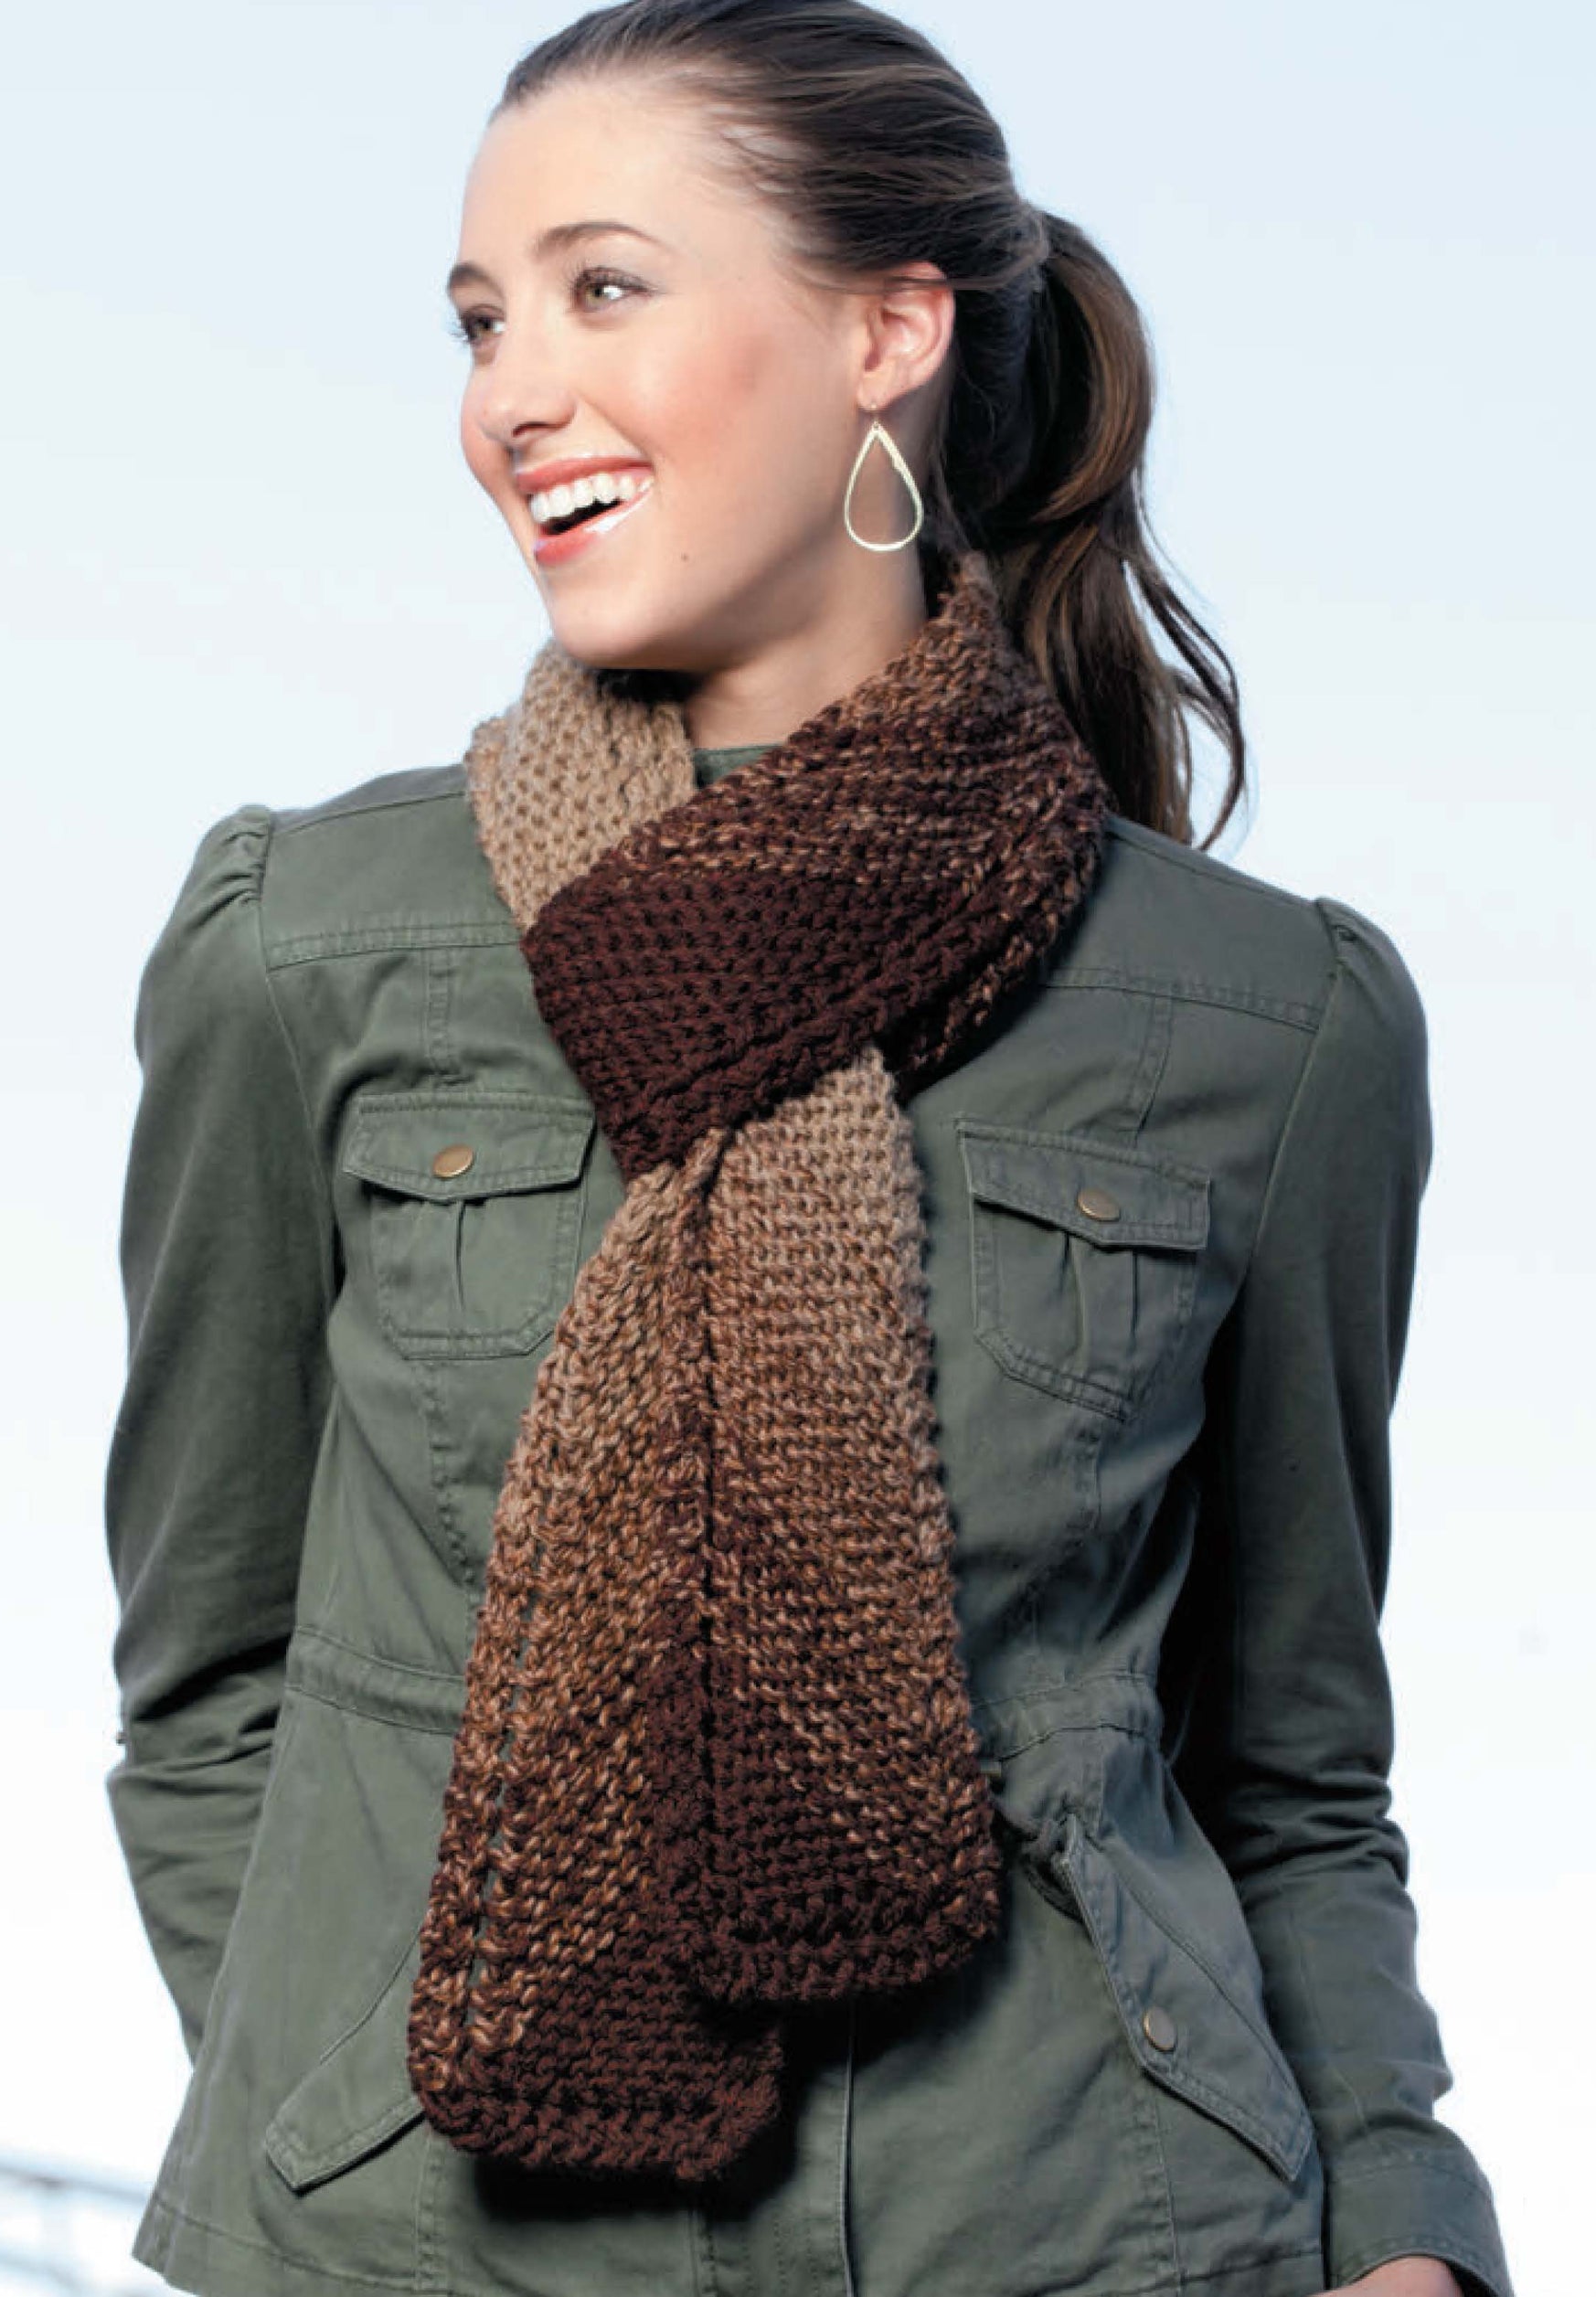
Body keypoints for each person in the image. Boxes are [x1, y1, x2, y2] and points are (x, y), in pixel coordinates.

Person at [101, 5, 1516, 2294]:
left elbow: (1289, 1768)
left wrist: (1404, 2230)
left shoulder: (1272, 1023)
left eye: (603, 287)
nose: (511, 394)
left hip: (1093, 2236)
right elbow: (208, 1686)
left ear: (886, 333)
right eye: (479, 322)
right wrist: (323, 2142)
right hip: (434, 2247)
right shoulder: (306, 946)